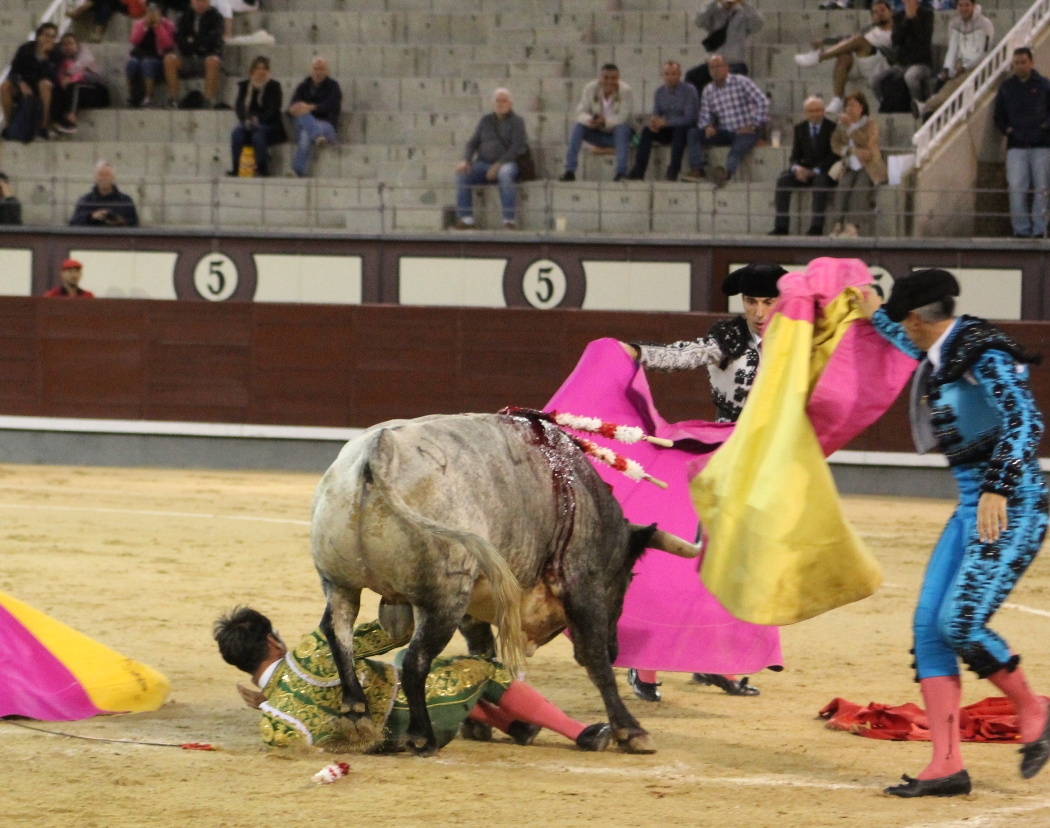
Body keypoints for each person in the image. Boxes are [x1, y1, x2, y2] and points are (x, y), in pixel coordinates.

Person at [858, 269, 1050, 798]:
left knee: (961, 623)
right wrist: (871, 309)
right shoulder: (944, 342)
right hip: (973, 508)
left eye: (903, 320)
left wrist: (998, 486)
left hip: (1012, 507)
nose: (903, 329)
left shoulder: (983, 353)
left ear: (916, 318)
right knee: (929, 627)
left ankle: (1034, 709)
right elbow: (899, 334)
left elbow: (1026, 421)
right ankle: (946, 764)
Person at [614, 262, 787, 703]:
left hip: (767, 460)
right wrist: (637, 352)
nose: (759, 312)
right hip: (721, 454)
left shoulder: (796, 337)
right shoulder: (730, 337)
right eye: (751, 301)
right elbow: (682, 355)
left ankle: (718, 661)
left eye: (768, 302)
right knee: (685, 556)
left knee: (742, 562)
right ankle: (645, 662)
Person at [214, 606, 613, 753]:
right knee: (482, 669)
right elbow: (396, 632)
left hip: (387, 744)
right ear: (273, 641)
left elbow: (308, 732)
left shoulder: (273, 722)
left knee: (406, 662)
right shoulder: (314, 650)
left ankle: (514, 725)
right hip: (423, 716)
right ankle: (579, 732)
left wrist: (269, 702)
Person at [993, 48, 1050, 239]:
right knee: (1016, 188)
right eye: (1016, 63)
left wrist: (1046, 126)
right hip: (1016, 146)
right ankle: (1021, 230)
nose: (1020, 66)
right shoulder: (1007, 87)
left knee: (1042, 189)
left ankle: (1040, 229)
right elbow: (998, 115)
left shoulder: (1044, 85)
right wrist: (1008, 130)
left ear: (1031, 63)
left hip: (1042, 145)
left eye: (1023, 62)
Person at [682, 55, 768, 186]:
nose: (715, 71)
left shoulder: (741, 82)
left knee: (736, 150)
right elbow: (705, 115)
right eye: (712, 68)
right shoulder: (708, 90)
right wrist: (707, 126)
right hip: (725, 131)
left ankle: (726, 173)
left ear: (726, 68)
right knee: (693, 134)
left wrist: (754, 125)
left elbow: (762, 101)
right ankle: (697, 169)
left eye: (718, 67)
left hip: (745, 130)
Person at [794, 1, 895, 106]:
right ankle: (837, 99)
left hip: (885, 64)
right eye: (876, 12)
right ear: (872, 17)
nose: (880, 14)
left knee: (859, 41)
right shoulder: (869, 29)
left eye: (883, 10)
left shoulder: (898, 30)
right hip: (866, 62)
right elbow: (847, 39)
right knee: (844, 56)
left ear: (891, 12)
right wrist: (825, 41)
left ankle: (819, 57)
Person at [454, 88, 529, 228]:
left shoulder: (517, 121)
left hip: (507, 163)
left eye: (504, 101)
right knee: (462, 174)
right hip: (483, 163)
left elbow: (518, 147)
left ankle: (509, 221)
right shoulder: (485, 120)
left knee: (505, 174)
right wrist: (465, 160)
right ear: (493, 103)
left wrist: (498, 165)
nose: (501, 104)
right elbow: (473, 143)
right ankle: (466, 219)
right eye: (498, 101)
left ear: (510, 104)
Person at [770, 96, 838, 236]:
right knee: (783, 180)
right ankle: (781, 226)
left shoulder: (832, 128)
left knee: (821, 183)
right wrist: (797, 169)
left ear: (823, 111)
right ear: (805, 113)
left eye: (818, 110)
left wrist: (816, 171)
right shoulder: (800, 128)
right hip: (805, 169)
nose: (815, 114)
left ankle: (816, 227)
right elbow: (795, 156)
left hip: (823, 170)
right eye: (811, 111)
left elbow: (834, 155)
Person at [920, 0, 995, 119]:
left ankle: (926, 106)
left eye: (967, 5)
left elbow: (983, 53)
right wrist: (947, 68)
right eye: (960, 5)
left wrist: (964, 68)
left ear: (973, 6)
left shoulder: (985, 24)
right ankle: (930, 108)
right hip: (960, 63)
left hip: (979, 65)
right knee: (941, 79)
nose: (963, 8)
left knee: (954, 83)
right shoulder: (954, 23)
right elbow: (952, 49)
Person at [561, 63, 634, 181]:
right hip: (597, 132)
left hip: (617, 136)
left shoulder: (625, 91)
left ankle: (621, 172)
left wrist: (605, 121)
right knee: (578, 126)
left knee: (622, 128)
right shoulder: (590, 89)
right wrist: (590, 120)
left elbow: (623, 117)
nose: (609, 82)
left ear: (618, 78)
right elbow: (580, 112)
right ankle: (569, 171)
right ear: (600, 78)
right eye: (606, 78)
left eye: (613, 78)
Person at [628, 61, 699, 182]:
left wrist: (667, 123)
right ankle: (638, 172)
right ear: (662, 75)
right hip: (667, 128)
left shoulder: (689, 90)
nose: (670, 77)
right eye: (667, 74)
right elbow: (656, 113)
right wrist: (654, 122)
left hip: (685, 129)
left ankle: (673, 171)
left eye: (673, 74)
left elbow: (690, 118)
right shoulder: (659, 92)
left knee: (680, 130)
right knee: (647, 130)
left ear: (679, 74)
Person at [828, 93, 887, 237]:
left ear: (861, 108)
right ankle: (838, 223)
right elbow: (835, 144)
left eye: (853, 105)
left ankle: (853, 226)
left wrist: (851, 127)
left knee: (859, 189)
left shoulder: (870, 124)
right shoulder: (841, 125)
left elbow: (866, 143)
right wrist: (852, 150)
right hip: (850, 164)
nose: (849, 109)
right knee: (843, 187)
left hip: (869, 165)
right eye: (847, 106)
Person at [0, 21, 59, 139]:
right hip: (25, 85)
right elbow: (13, 71)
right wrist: (20, 82)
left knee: (44, 84)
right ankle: (10, 125)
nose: (49, 39)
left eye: (52, 37)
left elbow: (52, 76)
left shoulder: (56, 53)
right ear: (38, 36)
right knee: (5, 87)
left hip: (46, 89)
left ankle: (44, 125)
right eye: (46, 35)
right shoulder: (26, 49)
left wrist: (43, 56)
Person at [686, 0, 763, 93]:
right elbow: (698, 21)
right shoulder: (714, 10)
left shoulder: (743, 13)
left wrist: (744, 3)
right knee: (692, 76)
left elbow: (758, 24)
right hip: (714, 63)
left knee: (730, 81)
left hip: (735, 63)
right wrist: (714, 2)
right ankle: (703, 102)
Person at [230, 56, 286, 176]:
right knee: (237, 132)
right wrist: (246, 119)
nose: (261, 71)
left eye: (264, 68)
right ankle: (236, 167)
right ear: (252, 71)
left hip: (269, 124)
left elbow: (274, 109)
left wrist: (258, 119)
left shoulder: (274, 86)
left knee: (258, 133)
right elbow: (240, 107)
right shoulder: (245, 86)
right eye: (258, 68)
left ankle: (262, 167)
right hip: (249, 122)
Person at [165, 0, 226, 109]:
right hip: (187, 57)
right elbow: (180, 39)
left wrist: (193, 41)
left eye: (203, 1)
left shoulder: (216, 17)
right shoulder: (184, 17)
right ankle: (174, 99)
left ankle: (208, 101)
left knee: (213, 61)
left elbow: (214, 39)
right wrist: (198, 43)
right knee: (169, 59)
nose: (200, 4)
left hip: (206, 57)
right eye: (197, 1)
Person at [288, 57, 342, 176]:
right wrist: (295, 109)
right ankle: (317, 135)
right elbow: (292, 106)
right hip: (304, 124)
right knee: (303, 115)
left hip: (326, 125)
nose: (318, 72)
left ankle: (297, 171)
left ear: (327, 71)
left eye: (321, 69)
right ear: (311, 71)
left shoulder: (333, 86)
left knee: (305, 134)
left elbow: (331, 105)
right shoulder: (303, 87)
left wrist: (310, 107)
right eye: (315, 69)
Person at [54, 31, 110, 135]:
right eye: (64, 44)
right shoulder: (63, 60)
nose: (67, 47)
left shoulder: (84, 54)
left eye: (70, 43)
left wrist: (68, 75)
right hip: (83, 94)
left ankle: (71, 120)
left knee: (74, 86)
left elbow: (82, 68)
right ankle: (55, 124)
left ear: (77, 45)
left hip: (99, 92)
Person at [127, 3, 176, 107]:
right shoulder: (139, 23)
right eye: (150, 10)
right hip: (140, 55)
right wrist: (145, 26)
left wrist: (158, 26)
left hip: (159, 58)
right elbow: (134, 40)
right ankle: (132, 95)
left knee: (147, 63)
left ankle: (148, 98)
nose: (152, 13)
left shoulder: (168, 24)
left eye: (155, 10)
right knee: (131, 63)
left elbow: (168, 44)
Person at [891, 0, 936, 106]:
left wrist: (914, 18)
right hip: (902, 63)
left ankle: (918, 104)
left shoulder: (927, 14)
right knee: (877, 79)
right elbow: (896, 40)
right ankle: (887, 106)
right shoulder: (898, 17)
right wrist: (906, 20)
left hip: (922, 63)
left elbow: (924, 38)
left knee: (910, 76)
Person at [69, 161, 139, 226]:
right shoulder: (85, 201)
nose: (104, 178)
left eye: (107, 175)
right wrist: (91, 216)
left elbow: (134, 224)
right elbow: (73, 223)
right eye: (101, 174)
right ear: (95, 177)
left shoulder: (125, 201)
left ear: (113, 177)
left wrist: (119, 221)